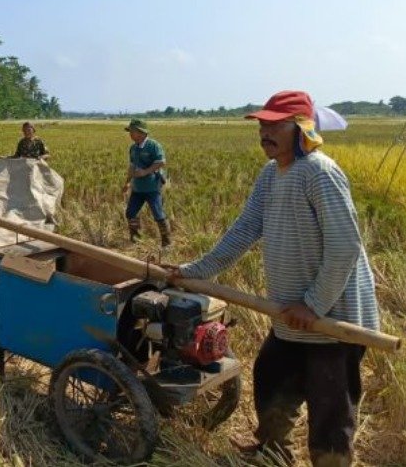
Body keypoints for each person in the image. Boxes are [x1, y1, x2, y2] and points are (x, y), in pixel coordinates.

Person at [168, 90, 379, 467]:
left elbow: (345, 247)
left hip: (332, 319)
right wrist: (193, 271)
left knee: (330, 405)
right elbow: (245, 229)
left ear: (301, 128)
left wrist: (313, 304)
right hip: (291, 315)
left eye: (275, 124)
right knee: (271, 378)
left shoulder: (320, 173)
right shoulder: (271, 174)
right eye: (262, 125)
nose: (265, 132)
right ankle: (273, 451)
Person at [121, 119, 171, 247]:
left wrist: (145, 172)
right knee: (130, 213)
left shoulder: (153, 146)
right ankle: (135, 238)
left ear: (141, 133)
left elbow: (161, 162)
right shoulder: (133, 148)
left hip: (152, 188)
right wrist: (127, 183)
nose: (130, 134)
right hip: (137, 188)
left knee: (158, 214)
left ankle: (166, 243)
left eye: (132, 131)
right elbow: (132, 167)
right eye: (130, 132)